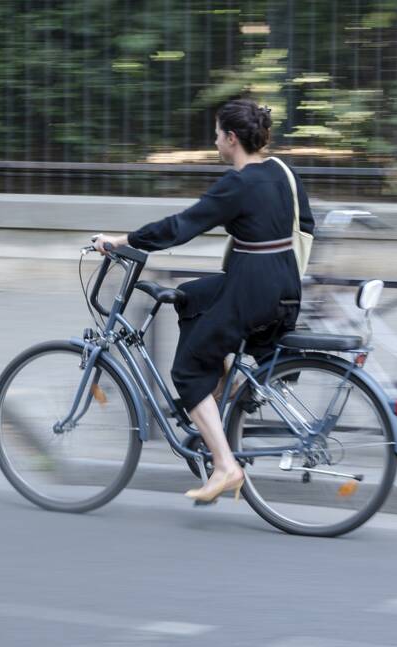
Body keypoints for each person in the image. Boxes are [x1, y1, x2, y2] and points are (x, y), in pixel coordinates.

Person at [92, 98, 315, 504]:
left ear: (231, 138)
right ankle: (223, 386)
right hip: (285, 286)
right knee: (190, 296)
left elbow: (182, 226)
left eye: (216, 135)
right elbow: (307, 224)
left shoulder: (239, 183)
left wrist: (121, 241)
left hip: (252, 290)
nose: (214, 142)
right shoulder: (282, 172)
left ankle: (226, 466)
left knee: (186, 371)